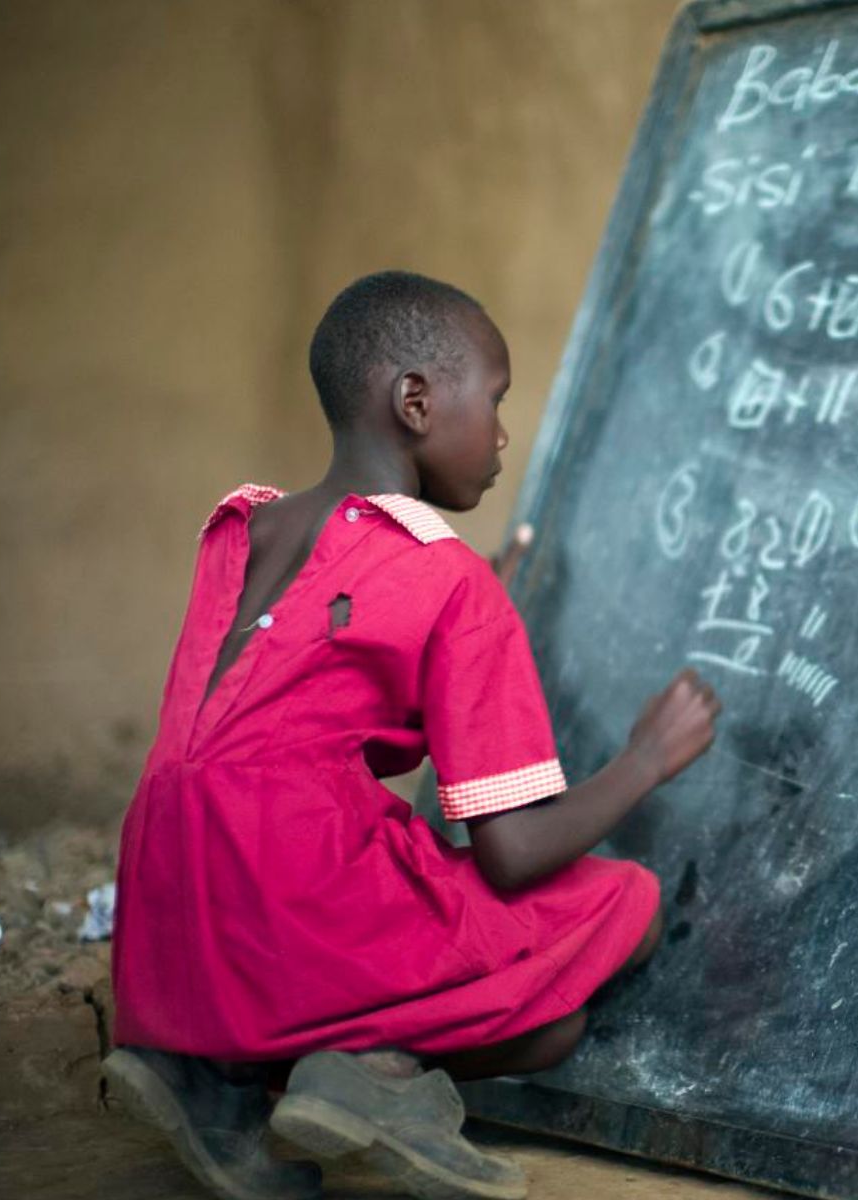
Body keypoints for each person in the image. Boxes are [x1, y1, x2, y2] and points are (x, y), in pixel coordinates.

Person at [101, 270, 721, 1200]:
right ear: (417, 402)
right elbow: (512, 854)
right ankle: (368, 1077)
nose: (505, 434)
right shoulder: (450, 582)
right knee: (618, 910)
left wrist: (468, 617)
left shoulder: (241, 530)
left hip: (167, 909)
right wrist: (645, 760)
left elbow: (312, 664)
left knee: (525, 1001)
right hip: (297, 893)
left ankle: (208, 1075)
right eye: (498, 400)